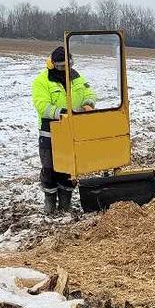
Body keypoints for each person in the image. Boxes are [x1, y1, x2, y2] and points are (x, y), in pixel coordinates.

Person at [32, 46, 96, 214]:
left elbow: (89, 92)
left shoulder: (77, 77)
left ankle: (65, 203)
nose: (65, 70)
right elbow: (41, 105)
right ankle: (50, 203)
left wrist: (89, 104)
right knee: (50, 168)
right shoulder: (42, 80)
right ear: (53, 64)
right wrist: (61, 113)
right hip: (50, 132)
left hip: (72, 130)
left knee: (69, 167)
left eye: (68, 65)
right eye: (61, 67)